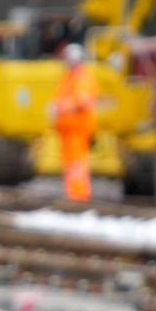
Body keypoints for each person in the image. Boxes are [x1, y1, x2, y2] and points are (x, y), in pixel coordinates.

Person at [53, 42, 98, 202]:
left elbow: (82, 101)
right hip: (69, 130)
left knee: (77, 164)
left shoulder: (82, 78)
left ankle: (79, 195)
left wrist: (62, 108)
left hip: (77, 129)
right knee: (71, 163)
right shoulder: (70, 77)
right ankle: (73, 193)